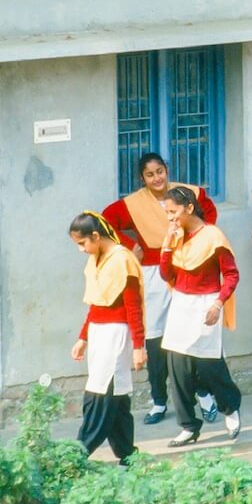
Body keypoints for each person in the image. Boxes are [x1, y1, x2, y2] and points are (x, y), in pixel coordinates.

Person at [102, 152, 220, 425]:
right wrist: (130, 245)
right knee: (155, 340)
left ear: (167, 170)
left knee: (192, 336)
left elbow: (210, 215)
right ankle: (159, 400)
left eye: (160, 171)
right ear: (142, 178)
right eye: (149, 174)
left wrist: (197, 241)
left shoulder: (187, 193)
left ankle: (202, 392)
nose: (157, 178)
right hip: (152, 275)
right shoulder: (132, 203)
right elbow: (104, 222)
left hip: (185, 267)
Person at [159, 186, 243, 446]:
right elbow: (168, 276)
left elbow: (231, 274)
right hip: (181, 304)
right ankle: (188, 426)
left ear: (190, 208)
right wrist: (167, 248)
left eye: (174, 212)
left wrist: (218, 304)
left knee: (209, 364)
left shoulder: (213, 236)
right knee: (177, 367)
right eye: (167, 213)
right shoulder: (175, 236)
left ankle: (229, 407)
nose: (170, 218)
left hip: (207, 302)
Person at [68, 211, 145, 464]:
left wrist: (138, 346)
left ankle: (78, 454)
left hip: (117, 334)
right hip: (98, 334)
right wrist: (83, 338)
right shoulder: (96, 259)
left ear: (96, 236)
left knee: (103, 393)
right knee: (117, 397)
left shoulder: (123, 260)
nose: (80, 250)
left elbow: (133, 306)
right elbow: (95, 303)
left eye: (82, 243)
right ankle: (128, 455)